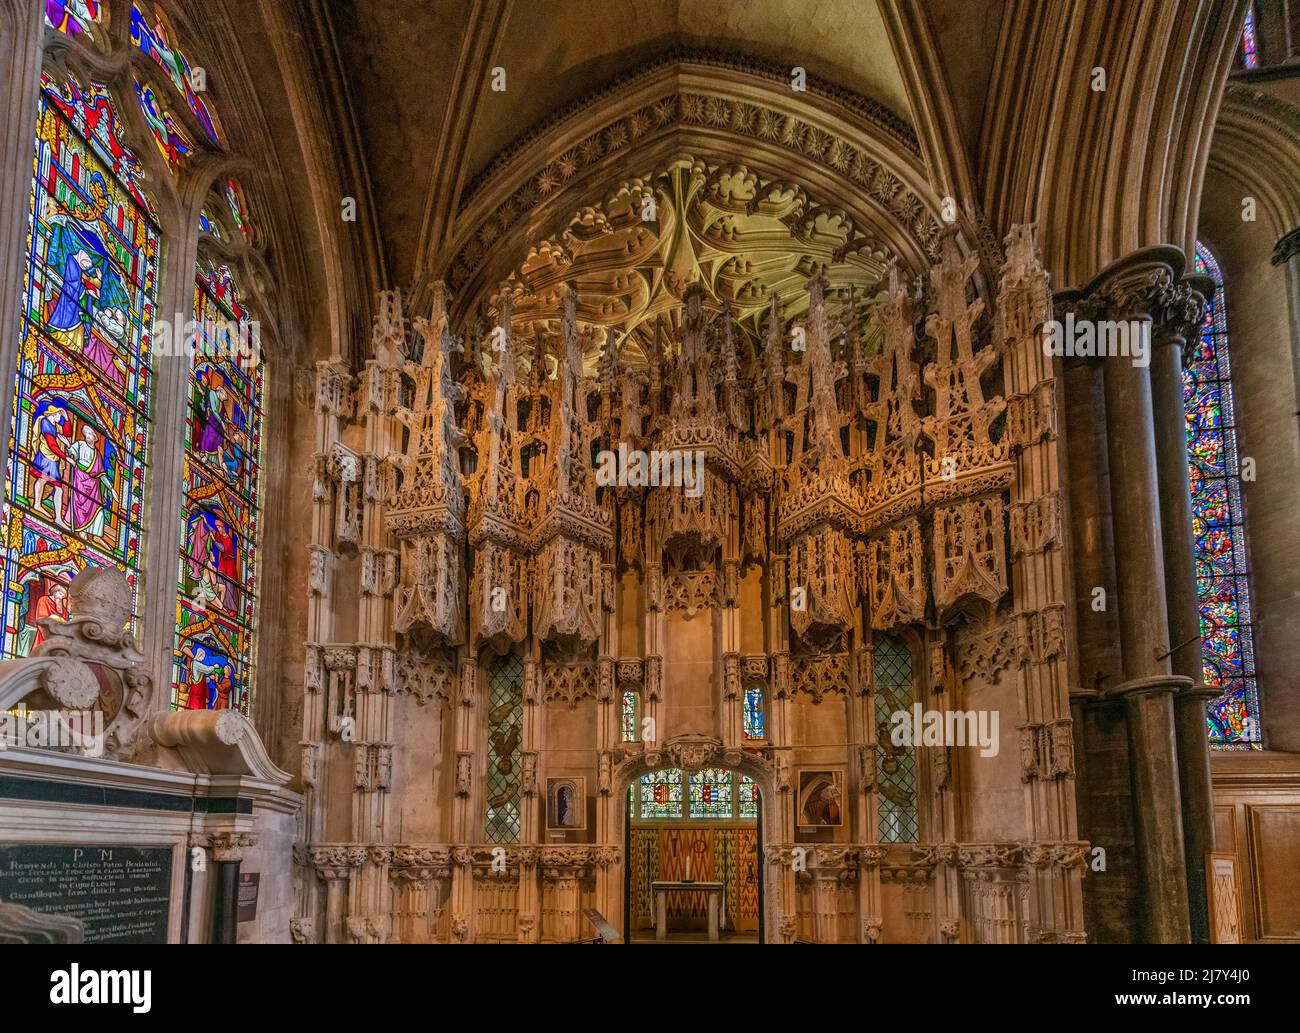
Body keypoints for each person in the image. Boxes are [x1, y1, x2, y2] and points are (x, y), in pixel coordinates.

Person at [62, 425, 113, 536]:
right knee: (78, 505)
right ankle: (80, 531)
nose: (87, 436)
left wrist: (111, 488)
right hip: (80, 480)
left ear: (95, 438)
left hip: (94, 487)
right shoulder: (79, 445)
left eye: (90, 434)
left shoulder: (97, 455)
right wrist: (68, 445)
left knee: (97, 508)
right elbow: (72, 455)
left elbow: (101, 474)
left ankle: (92, 534)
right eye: (86, 434)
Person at [30, 401, 71, 526]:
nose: (60, 418)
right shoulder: (45, 423)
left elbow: (68, 433)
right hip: (45, 456)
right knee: (44, 480)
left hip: (53, 459)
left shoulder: (56, 426)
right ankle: (38, 505)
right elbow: (51, 444)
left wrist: (67, 418)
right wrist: (66, 457)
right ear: (53, 414)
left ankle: (58, 517)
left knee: (56, 487)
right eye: (59, 415)